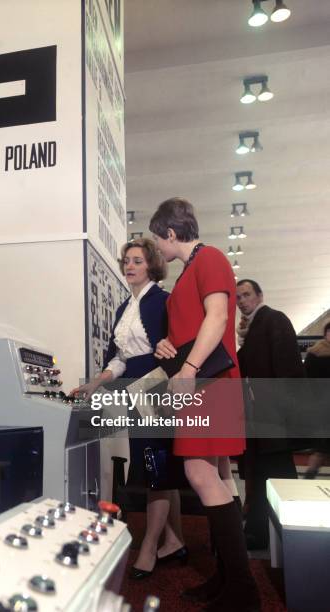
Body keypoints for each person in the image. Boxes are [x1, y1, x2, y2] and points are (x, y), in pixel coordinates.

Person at [150, 198, 259, 611]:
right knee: (218, 474)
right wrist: (171, 347)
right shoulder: (190, 271)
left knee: (198, 472)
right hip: (203, 380)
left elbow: (217, 318)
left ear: (171, 234)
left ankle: (242, 589)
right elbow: (196, 325)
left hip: (207, 383)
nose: (159, 248)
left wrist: (190, 365)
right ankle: (231, 577)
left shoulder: (209, 257)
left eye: (159, 240)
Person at [70, 238, 187, 580]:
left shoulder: (162, 301)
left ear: (151, 264)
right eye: (127, 261)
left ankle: (149, 547)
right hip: (134, 389)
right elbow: (119, 358)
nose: (129, 266)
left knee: (155, 468)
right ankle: (174, 540)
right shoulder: (124, 309)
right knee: (159, 467)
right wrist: (96, 382)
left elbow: (174, 348)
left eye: (137, 260)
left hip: (156, 389)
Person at [236, 279, 304, 549]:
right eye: (238, 297)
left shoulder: (273, 319)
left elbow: (288, 370)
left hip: (273, 417)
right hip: (261, 419)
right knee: (264, 475)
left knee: (278, 476)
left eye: (247, 294)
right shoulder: (252, 329)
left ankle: (288, 535)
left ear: (260, 295)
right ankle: (261, 532)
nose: (242, 301)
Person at [303, 320, 330, 478]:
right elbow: (308, 380)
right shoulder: (315, 353)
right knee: (320, 448)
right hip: (322, 407)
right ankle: (309, 476)